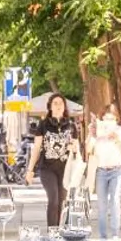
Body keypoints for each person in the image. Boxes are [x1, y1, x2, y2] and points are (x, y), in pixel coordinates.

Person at [25, 93, 78, 226]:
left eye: (61, 103)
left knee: (62, 201)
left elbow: (76, 149)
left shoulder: (71, 126)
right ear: (50, 107)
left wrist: (74, 147)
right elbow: (36, 148)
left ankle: (61, 232)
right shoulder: (43, 125)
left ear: (65, 106)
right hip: (47, 168)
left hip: (65, 168)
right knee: (53, 199)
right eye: (55, 103)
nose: (58, 105)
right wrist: (30, 170)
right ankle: (52, 233)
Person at [89, 103, 121, 239]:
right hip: (101, 170)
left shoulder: (120, 131)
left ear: (117, 119)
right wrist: (92, 135)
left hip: (116, 170)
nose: (109, 122)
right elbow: (89, 149)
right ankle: (102, 235)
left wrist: (116, 139)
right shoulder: (98, 131)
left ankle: (115, 234)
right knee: (101, 204)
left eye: (112, 119)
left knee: (115, 201)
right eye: (106, 118)